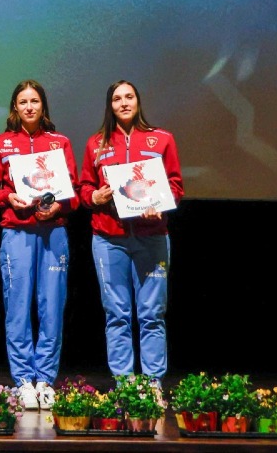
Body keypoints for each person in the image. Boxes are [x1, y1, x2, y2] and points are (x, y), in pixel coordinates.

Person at [77, 80, 183, 383]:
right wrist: (95, 196)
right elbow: (84, 188)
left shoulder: (161, 139)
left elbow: (175, 186)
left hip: (152, 236)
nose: (123, 103)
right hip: (109, 239)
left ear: (138, 101)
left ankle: (152, 384)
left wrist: (161, 205)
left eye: (129, 97)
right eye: (117, 99)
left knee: (152, 314)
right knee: (117, 314)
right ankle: (125, 385)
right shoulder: (96, 144)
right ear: (110, 106)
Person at [0, 80, 77, 410]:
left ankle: (45, 380)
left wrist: (59, 206)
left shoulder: (59, 143)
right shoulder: (2, 143)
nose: (29, 107)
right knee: (18, 307)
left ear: (43, 105)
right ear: (15, 107)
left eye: (34, 101)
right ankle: (23, 380)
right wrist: (8, 197)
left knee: (52, 307)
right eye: (23, 102)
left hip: (53, 233)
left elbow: (74, 191)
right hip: (17, 233)